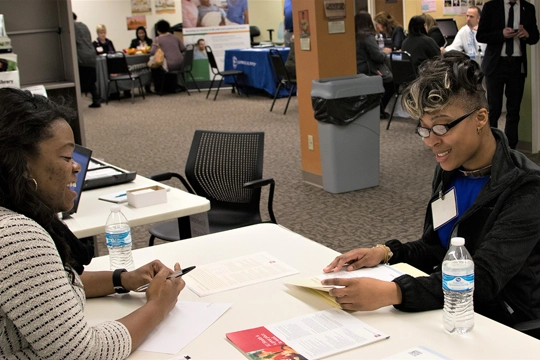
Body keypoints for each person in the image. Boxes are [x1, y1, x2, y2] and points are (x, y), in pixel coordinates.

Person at [321, 51, 540, 327]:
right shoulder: (451, 170)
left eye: (441, 127)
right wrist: (386, 253)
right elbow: (437, 247)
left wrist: (395, 292)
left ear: (481, 118)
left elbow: (483, 279)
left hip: (503, 323)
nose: (430, 142)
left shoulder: (526, 187)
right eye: (424, 129)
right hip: (452, 309)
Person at [0, 88, 185, 358]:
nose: (77, 167)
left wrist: (121, 279)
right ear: (22, 166)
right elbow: (85, 353)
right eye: (66, 157)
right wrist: (158, 305)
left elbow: (41, 290)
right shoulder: (17, 236)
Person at [476, 0, 539, 149]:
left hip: (517, 65)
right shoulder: (491, 7)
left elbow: (535, 37)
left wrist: (527, 34)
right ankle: (491, 147)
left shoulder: (528, 8)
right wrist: (501, 34)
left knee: (513, 110)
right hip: (496, 64)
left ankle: (510, 149)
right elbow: (481, 35)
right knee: (493, 108)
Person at [355, 12, 394, 119]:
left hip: (358, 69)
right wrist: (385, 53)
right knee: (391, 82)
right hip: (369, 70)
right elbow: (377, 56)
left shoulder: (353, 35)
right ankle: (380, 110)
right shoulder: (367, 36)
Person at [150, 20, 187, 92]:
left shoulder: (157, 39)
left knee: (154, 66)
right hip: (181, 64)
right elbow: (183, 48)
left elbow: (152, 52)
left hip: (169, 65)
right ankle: (173, 86)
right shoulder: (175, 37)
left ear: (158, 30)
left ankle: (160, 89)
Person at [73, 13, 100, 108]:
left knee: (80, 81)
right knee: (91, 80)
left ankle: (76, 105)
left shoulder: (72, 27)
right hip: (91, 54)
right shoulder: (84, 25)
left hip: (81, 56)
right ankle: (96, 99)